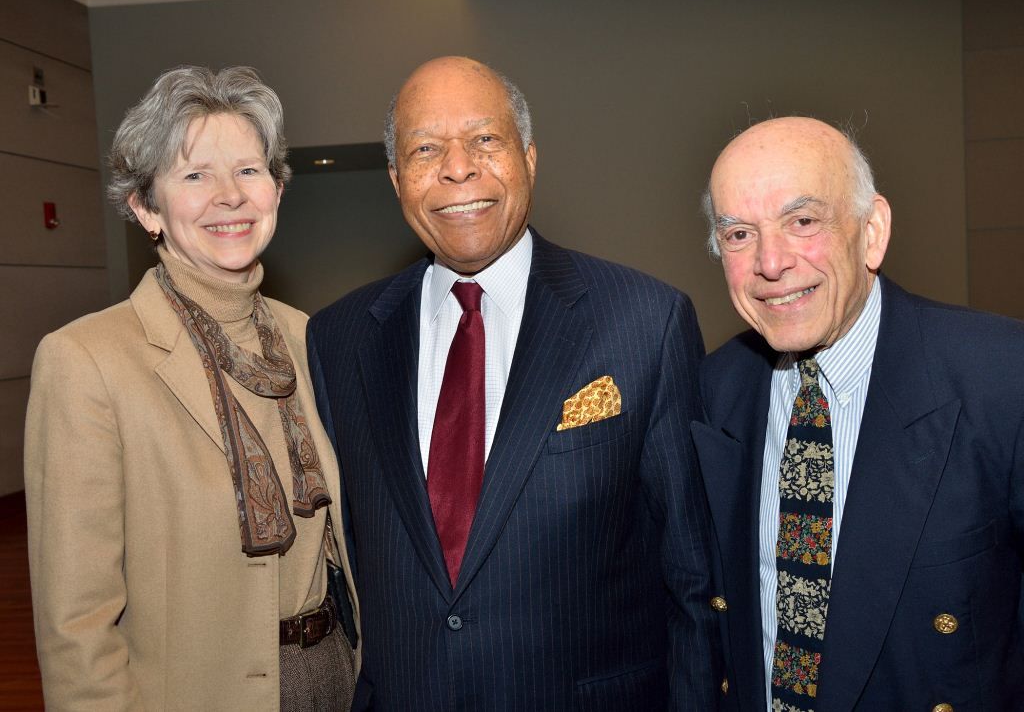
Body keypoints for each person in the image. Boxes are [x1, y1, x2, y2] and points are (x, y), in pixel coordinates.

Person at [307, 56, 720, 710]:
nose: (458, 167)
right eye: (425, 149)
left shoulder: (646, 321)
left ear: (529, 157)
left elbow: (696, 583)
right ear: (396, 179)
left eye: (484, 139)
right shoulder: (339, 339)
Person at [24, 66, 357, 711]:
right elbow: (75, 624)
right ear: (145, 207)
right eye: (195, 174)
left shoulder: (311, 340)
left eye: (250, 171)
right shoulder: (85, 361)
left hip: (338, 681)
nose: (229, 196)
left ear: (277, 192)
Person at [693, 116, 1024, 711]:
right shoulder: (710, 395)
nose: (771, 263)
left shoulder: (1001, 378)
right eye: (739, 235)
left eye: (802, 222)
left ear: (872, 232)